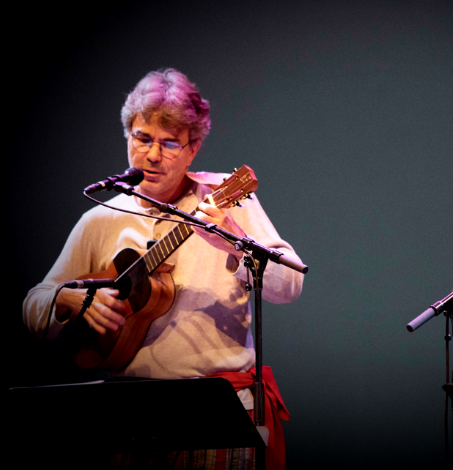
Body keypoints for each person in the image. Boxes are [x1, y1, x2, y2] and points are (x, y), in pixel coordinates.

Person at [23, 68, 304, 469]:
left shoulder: (223, 198)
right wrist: (67, 298)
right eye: (142, 139)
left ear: (194, 148)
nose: (152, 155)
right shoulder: (101, 219)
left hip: (215, 410)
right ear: (127, 136)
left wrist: (227, 236)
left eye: (170, 143)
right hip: (125, 414)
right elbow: (33, 307)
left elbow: (289, 283)